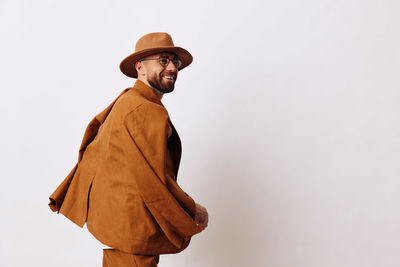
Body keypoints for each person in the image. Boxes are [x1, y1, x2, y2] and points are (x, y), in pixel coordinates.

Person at [48, 32, 209, 267]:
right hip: (134, 231)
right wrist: (191, 209)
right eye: (163, 60)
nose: (172, 68)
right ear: (140, 68)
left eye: (176, 62)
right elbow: (152, 178)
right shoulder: (145, 109)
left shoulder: (126, 102)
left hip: (119, 227)